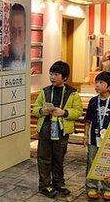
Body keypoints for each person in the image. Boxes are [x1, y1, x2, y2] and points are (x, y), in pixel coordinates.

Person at [32, 61, 83, 198]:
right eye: (51, 74)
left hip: (61, 129)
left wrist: (64, 112)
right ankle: (44, 185)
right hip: (46, 128)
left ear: (65, 77)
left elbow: (78, 111)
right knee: (44, 158)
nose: (52, 77)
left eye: (56, 74)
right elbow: (35, 109)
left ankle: (59, 183)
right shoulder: (45, 91)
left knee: (59, 158)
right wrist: (42, 110)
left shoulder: (72, 93)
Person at [83, 71, 110, 200]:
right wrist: (85, 136)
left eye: (101, 83)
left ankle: (107, 187)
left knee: (107, 163)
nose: (97, 85)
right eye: (96, 82)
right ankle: (91, 186)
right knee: (91, 162)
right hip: (94, 138)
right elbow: (88, 120)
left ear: (109, 86)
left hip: (108, 140)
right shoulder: (93, 101)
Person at [3, 3, 26, 70]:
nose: (17, 39)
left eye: (20, 31)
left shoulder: (29, 54)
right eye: (13, 31)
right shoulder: (3, 58)